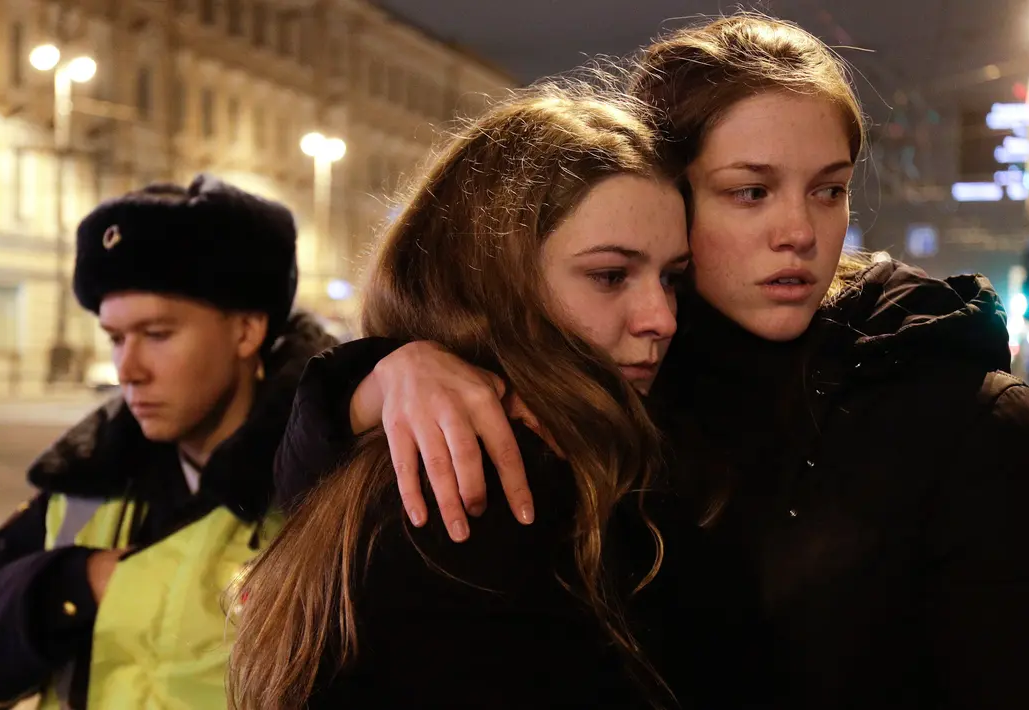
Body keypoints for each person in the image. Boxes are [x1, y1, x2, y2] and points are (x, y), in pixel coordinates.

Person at [272, 15, 1029, 710]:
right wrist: (369, 381)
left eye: (828, 189)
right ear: (667, 190)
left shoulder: (952, 406)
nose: (799, 232)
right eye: (749, 190)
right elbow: (327, 526)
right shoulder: (609, 388)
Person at [228, 86, 724, 710]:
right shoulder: (481, 494)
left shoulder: (588, 451)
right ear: (493, 279)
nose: (662, 317)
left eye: (671, 279)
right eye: (609, 276)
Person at [0, 175, 335, 710]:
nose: (128, 369)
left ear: (245, 331)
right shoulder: (93, 480)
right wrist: (78, 583)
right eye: (115, 339)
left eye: (157, 335)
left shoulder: (330, 488)